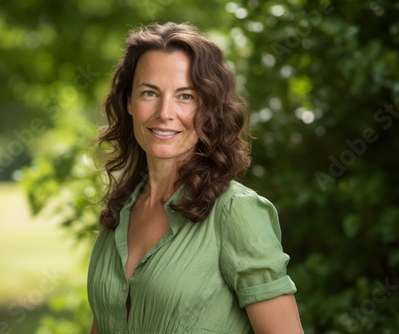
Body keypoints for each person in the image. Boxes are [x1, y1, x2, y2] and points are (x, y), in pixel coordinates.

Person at [87, 22, 303, 334]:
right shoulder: (120, 211)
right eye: (150, 92)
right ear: (129, 102)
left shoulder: (235, 211)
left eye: (185, 96)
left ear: (208, 108)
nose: (164, 112)